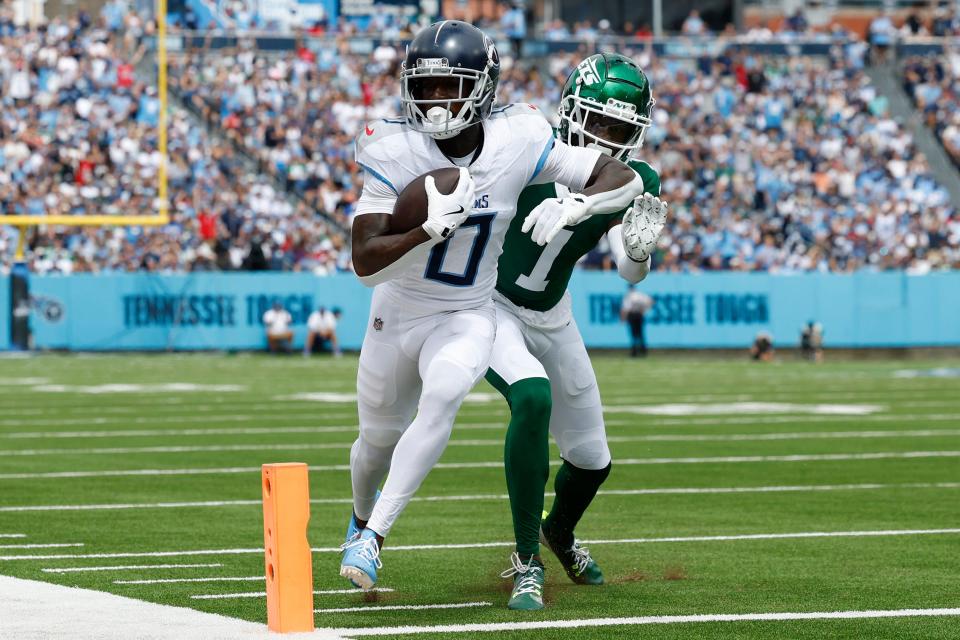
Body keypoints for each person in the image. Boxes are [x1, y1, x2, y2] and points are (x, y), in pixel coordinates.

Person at [339, 21, 646, 593]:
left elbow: (619, 176)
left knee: (450, 394)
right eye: (425, 87)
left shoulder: (521, 138)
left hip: (469, 311)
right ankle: (358, 518)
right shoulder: (392, 146)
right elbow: (364, 263)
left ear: (482, 87)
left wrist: (579, 205)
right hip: (400, 308)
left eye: (447, 86)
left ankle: (374, 538)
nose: (434, 101)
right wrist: (425, 231)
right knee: (376, 440)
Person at [486, 53, 666, 610]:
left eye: (621, 129)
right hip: (488, 306)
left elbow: (628, 269)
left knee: (592, 459)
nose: (608, 139)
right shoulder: (533, 149)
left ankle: (557, 532)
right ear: (570, 112)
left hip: (552, 313)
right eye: (600, 122)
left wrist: (639, 250)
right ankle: (525, 561)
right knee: (531, 399)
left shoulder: (635, 178)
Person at [621, 282, 653, 358]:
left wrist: (623, 318)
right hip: (639, 315)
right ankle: (643, 351)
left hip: (632, 316)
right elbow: (650, 301)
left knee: (633, 335)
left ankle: (634, 352)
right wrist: (644, 311)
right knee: (641, 334)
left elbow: (626, 309)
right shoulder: (640, 295)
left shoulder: (628, 296)